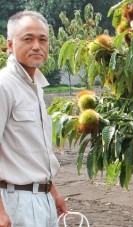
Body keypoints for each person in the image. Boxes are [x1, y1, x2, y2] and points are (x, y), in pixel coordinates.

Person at [0, 11, 67, 226]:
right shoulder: (4, 86)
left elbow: (34, 151)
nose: (37, 46)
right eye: (28, 39)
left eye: (43, 39)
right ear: (10, 44)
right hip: (15, 201)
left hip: (42, 198)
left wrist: (52, 191)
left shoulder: (36, 87)